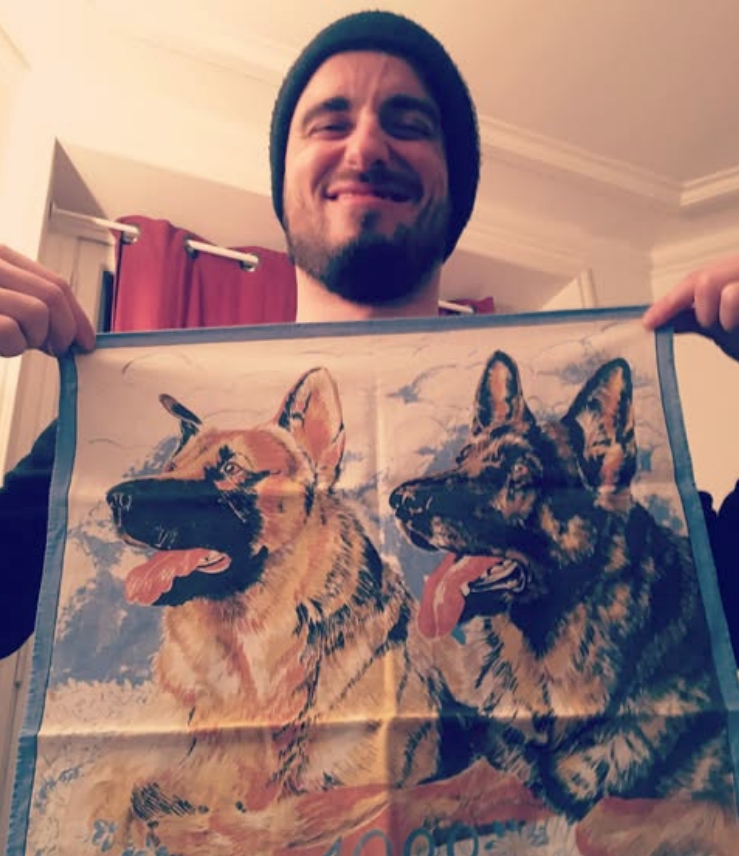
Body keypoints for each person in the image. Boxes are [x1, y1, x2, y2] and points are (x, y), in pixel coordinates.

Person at [0, 10, 737, 659]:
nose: (366, 147)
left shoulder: (552, 435)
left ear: (456, 182)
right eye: (329, 122)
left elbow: (719, 613)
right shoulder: (119, 420)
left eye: (409, 125)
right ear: (283, 176)